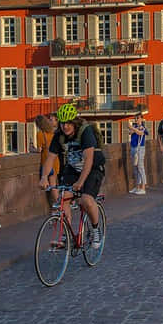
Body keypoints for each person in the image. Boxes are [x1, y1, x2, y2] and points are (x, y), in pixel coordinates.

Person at [38, 105, 105, 249]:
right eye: (62, 123)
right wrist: (44, 177)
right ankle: (66, 235)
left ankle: (95, 229)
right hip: (73, 168)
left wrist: (81, 182)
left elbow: (88, 159)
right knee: (63, 198)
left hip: (92, 168)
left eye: (68, 123)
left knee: (86, 199)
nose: (65, 126)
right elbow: (50, 158)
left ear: (74, 122)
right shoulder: (59, 135)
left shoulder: (85, 132)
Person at [128, 115, 148, 195]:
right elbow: (130, 132)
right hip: (133, 147)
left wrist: (131, 128)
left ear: (141, 119)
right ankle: (137, 187)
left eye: (138, 118)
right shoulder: (135, 126)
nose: (136, 119)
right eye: (135, 118)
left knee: (140, 167)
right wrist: (133, 128)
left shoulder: (143, 127)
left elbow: (140, 133)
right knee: (135, 168)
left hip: (140, 148)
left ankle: (143, 187)